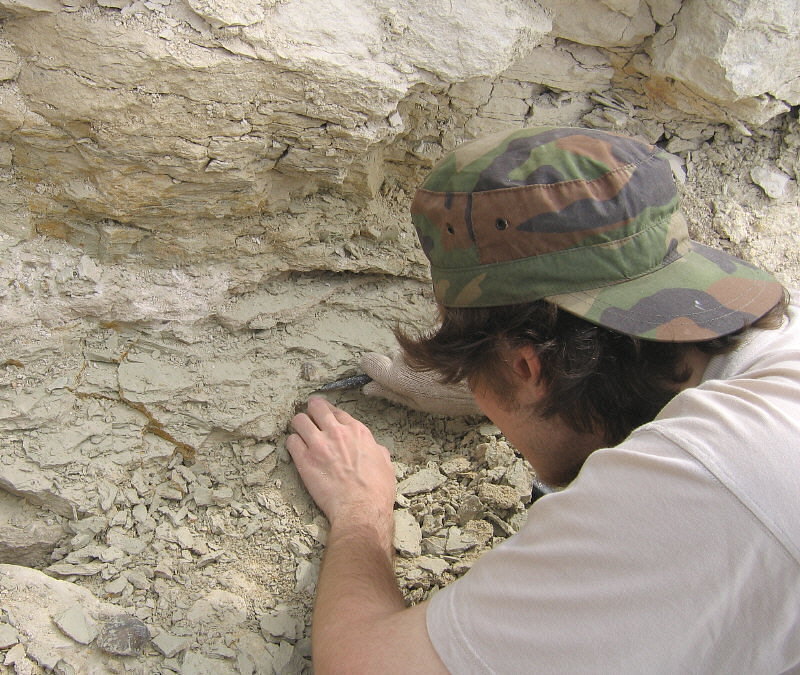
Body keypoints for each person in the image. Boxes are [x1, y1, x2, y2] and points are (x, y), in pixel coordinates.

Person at [285, 127, 800, 673]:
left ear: (528, 366)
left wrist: (361, 512)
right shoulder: (775, 362)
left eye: (476, 380)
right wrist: (502, 388)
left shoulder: (698, 486)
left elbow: (362, 666)